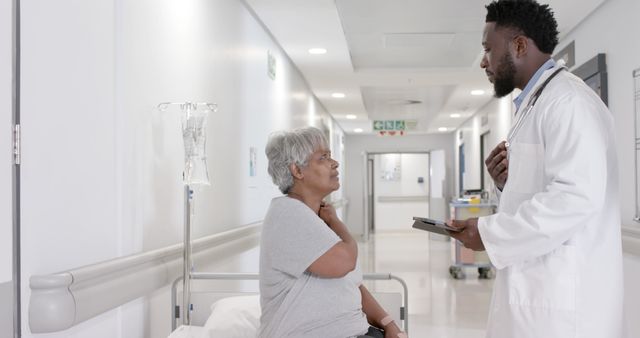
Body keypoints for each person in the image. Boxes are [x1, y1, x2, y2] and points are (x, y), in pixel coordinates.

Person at [448, 1, 624, 337]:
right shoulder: (536, 104)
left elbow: (575, 198)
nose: (484, 61)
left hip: (564, 310)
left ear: (518, 45)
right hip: (539, 296)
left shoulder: (568, 103)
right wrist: (507, 184)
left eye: (488, 49)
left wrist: (488, 233)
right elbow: (548, 189)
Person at [259, 127, 407, 338]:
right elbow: (345, 262)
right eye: (323, 157)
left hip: (358, 330)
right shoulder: (287, 213)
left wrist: (390, 324)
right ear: (297, 171)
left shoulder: (315, 218)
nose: (334, 163)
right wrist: (337, 224)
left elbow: (352, 284)